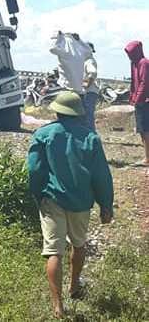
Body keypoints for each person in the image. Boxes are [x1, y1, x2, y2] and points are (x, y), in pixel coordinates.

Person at [27, 91, 114, 319]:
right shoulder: (90, 138)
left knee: (53, 251)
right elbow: (101, 175)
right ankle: (74, 287)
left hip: (52, 199)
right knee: (79, 244)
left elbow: (35, 170)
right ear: (78, 115)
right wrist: (106, 205)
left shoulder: (43, 135)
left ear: (56, 111)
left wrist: (38, 194)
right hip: (81, 202)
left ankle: (58, 306)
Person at [125, 40, 149, 166]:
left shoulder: (143, 63)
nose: (129, 56)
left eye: (131, 53)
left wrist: (138, 98)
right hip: (139, 101)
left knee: (145, 129)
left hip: (145, 101)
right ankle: (147, 156)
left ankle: (147, 159)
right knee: (141, 129)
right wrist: (131, 96)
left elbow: (144, 83)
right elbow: (134, 82)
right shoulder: (134, 63)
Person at [82, 42, 100, 131]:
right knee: (86, 114)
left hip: (89, 91)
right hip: (90, 91)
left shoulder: (89, 61)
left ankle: (90, 134)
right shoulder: (86, 61)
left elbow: (92, 73)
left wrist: (85, 85)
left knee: (88, 114)